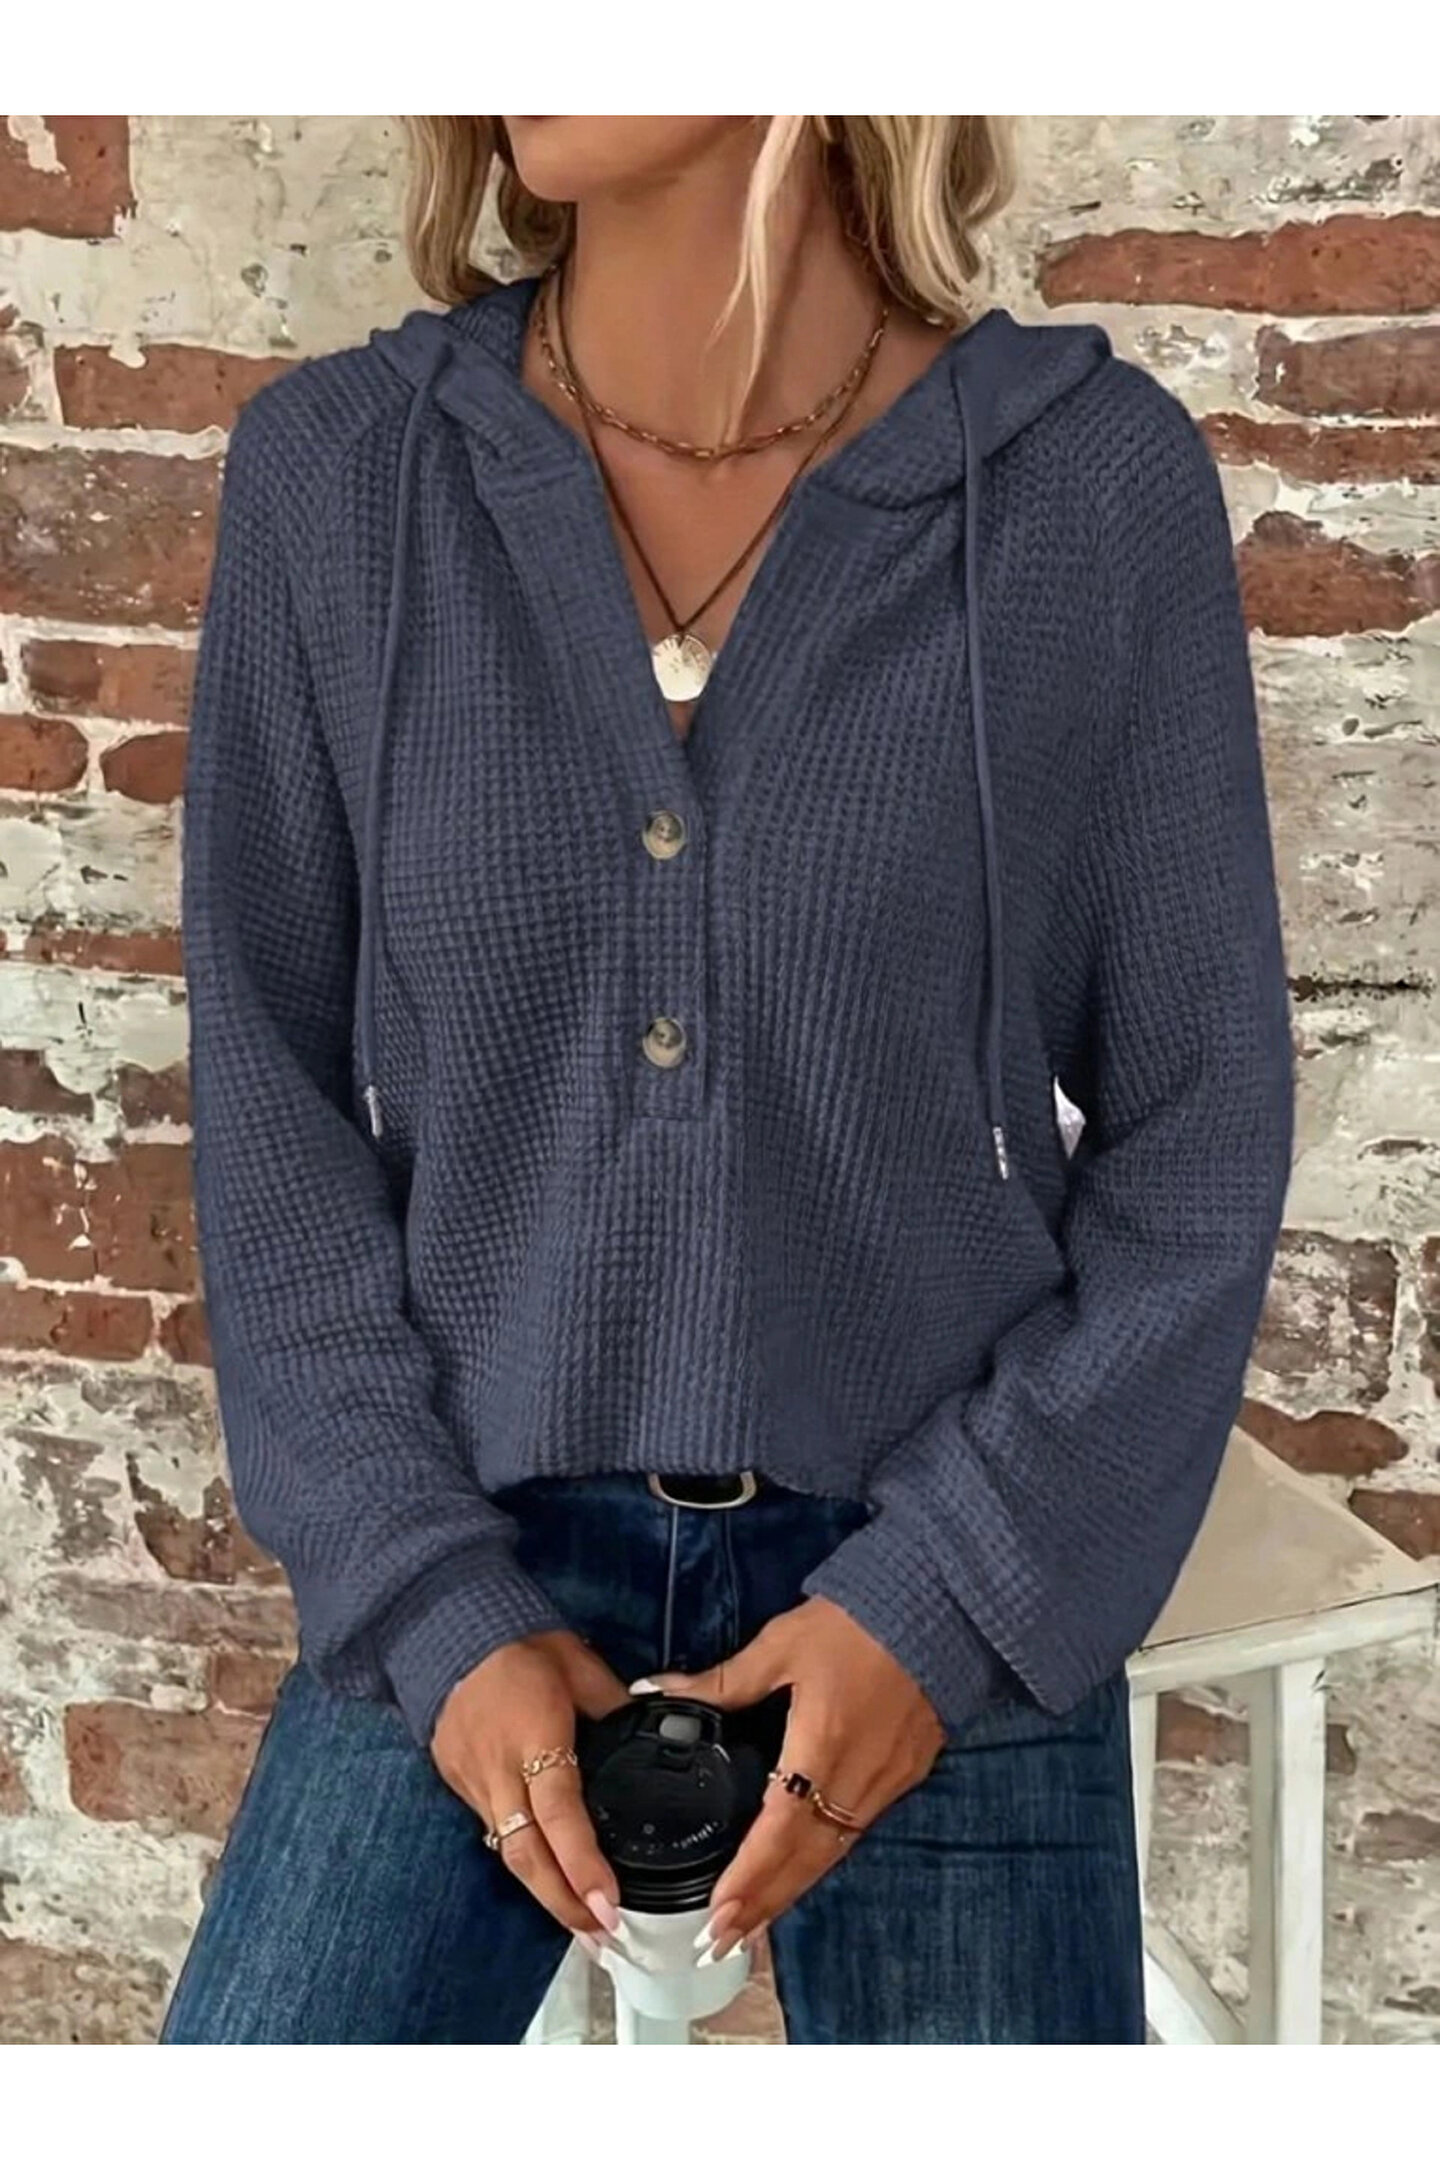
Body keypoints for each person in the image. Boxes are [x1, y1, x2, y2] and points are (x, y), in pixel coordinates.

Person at [160, 115, 1294, 2045]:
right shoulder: (341, 479)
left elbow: (1202, 1132)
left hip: (935, 1545)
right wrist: (430, 1604)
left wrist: (943, 1602)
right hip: (471, 1538)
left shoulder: (1086, 491)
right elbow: (267, 1112)